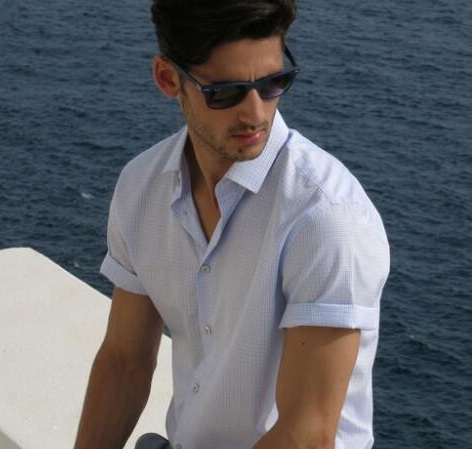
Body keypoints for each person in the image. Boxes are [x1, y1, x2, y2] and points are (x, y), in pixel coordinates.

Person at [73, 1, 390, 449]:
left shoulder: (327, 218)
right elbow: (125, 361)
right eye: (226, 92)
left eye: (273, 83)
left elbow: (307, 435)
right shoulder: (142, 186)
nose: (256, 113)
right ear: (168, 79)